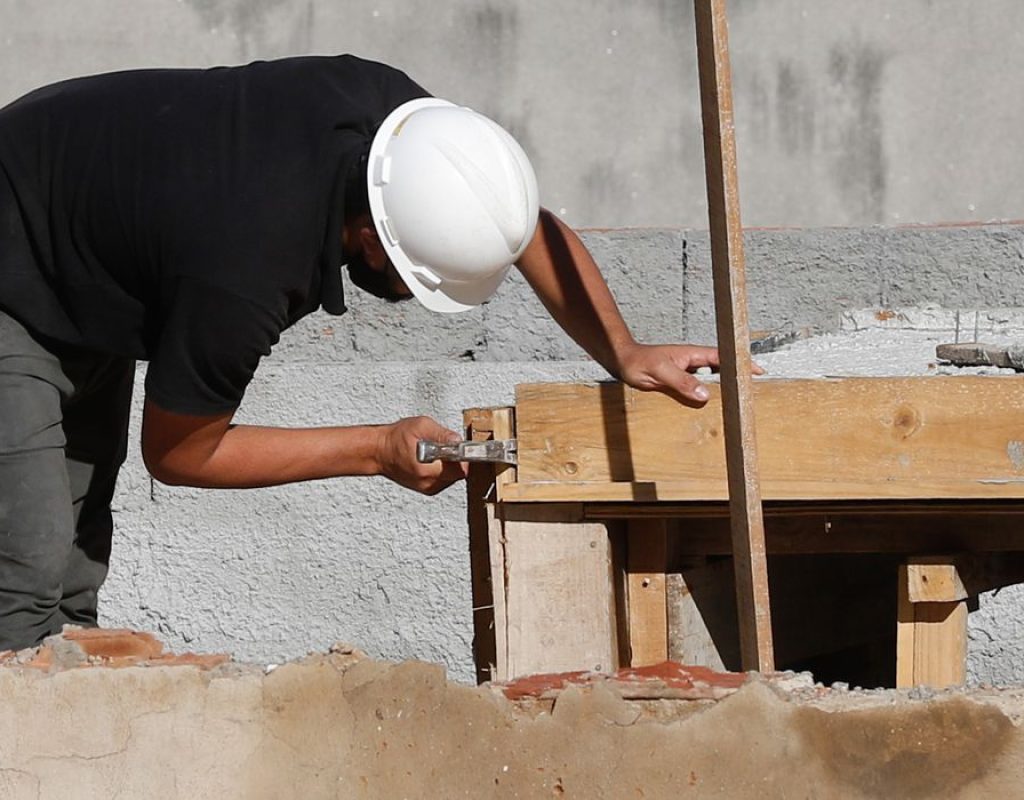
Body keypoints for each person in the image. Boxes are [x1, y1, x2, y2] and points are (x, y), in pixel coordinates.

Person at [0, 54, 728, 653]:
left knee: (69, 576)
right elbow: (182, 453)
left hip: (80, 237)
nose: (412, 298)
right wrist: (375, 449)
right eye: (416, 281)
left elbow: (516, 221)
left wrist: (625, 351)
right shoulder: (246, 269)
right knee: (24, 574)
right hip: (15, 261)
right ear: (374, 239)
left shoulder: (402, 129)